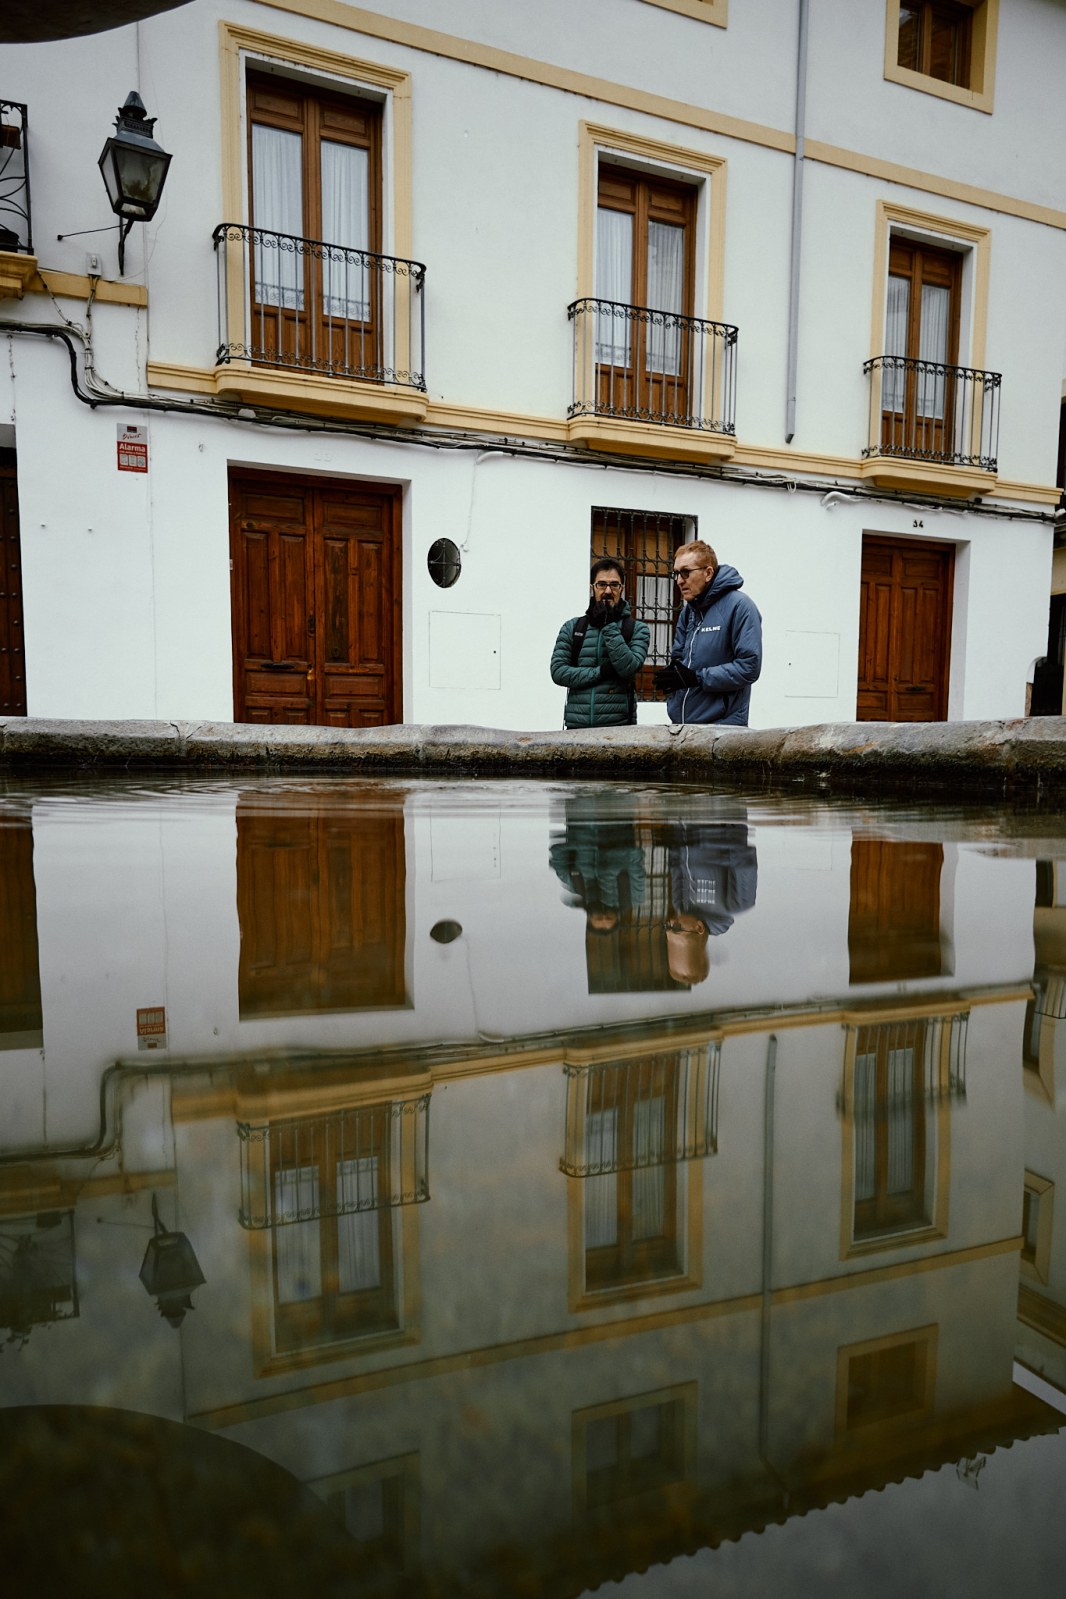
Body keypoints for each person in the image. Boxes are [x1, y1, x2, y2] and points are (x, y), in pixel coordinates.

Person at [653, 540, 761, 725]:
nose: (679, 580)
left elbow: (749, 667)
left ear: (708, 573)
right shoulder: (688, 611)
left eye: (685, 572)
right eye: (676, 573)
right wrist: (674, 679)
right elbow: (680, 660)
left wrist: (697, 677)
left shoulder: (740, 606)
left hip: (722, 729)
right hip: (682, 727)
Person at [550, 558, 650, 728]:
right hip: (577, 728)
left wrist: (608, 625)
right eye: (602, 584)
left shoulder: (637, 629)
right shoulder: (573, 627)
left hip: (619, 730)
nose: (608, 591)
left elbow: (628, 669)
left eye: (614, 585)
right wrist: (601, 672)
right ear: (592, 588)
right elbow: (558, 672)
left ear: (622, 589)